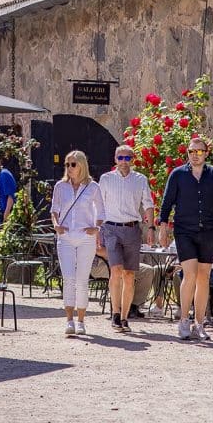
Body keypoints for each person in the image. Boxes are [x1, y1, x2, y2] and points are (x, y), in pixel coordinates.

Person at [158, 136, 213, 341]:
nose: (195, 155)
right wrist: (163, 228)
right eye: (191, 152)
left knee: (204, 276)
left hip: (207, 231)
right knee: (190, 274)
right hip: (184, 231)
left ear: (206, 153)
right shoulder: (177, 175)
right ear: (188, 154)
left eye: (199, 151)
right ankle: (184, 320)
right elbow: (167, 203)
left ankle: (199, 324)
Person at [99, 144, 154, 333]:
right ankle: (115, 313)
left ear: (132, 160)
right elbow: (99, 205)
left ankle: (124, 318)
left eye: (127, 158)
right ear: (115, 159)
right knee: (116, 270)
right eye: (120, 158)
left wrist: (151, 227)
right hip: (111, 228)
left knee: (129, 275)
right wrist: (98, 230)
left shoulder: (140, 180)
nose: (123, 162)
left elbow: (148, 204)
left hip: (132, 229)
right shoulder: (106, 179)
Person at [51, 150, 105, 336]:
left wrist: (96, 228)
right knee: (68, 279)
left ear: (82, 165)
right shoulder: (60, 186)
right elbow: (54, 209)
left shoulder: (93, 187)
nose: (69, 168)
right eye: (67, 164)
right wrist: (56, 225)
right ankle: (69, 320)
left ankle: (81, 320)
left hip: (85, 237)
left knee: (82, 279)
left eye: (73, 164)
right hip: (65, 236)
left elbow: (101, 210)